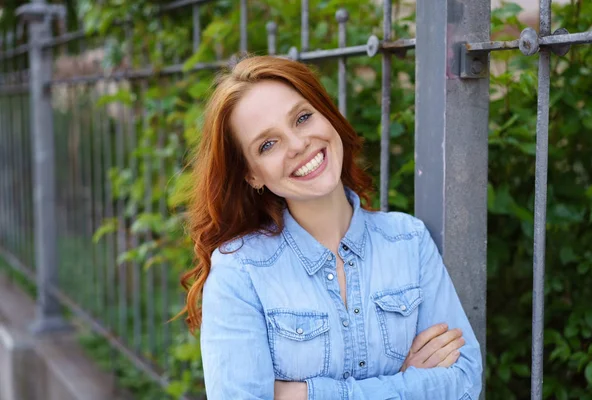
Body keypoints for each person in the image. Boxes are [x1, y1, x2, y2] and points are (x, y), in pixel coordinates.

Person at [180, 55, 482, 399]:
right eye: (267, 144)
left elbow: (465, 382)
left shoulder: (408, 241)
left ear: (327, 115)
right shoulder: (241, 271)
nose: (297, 145)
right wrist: (407, 383)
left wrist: (302, 394)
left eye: (303, 118)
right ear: (252, 175)